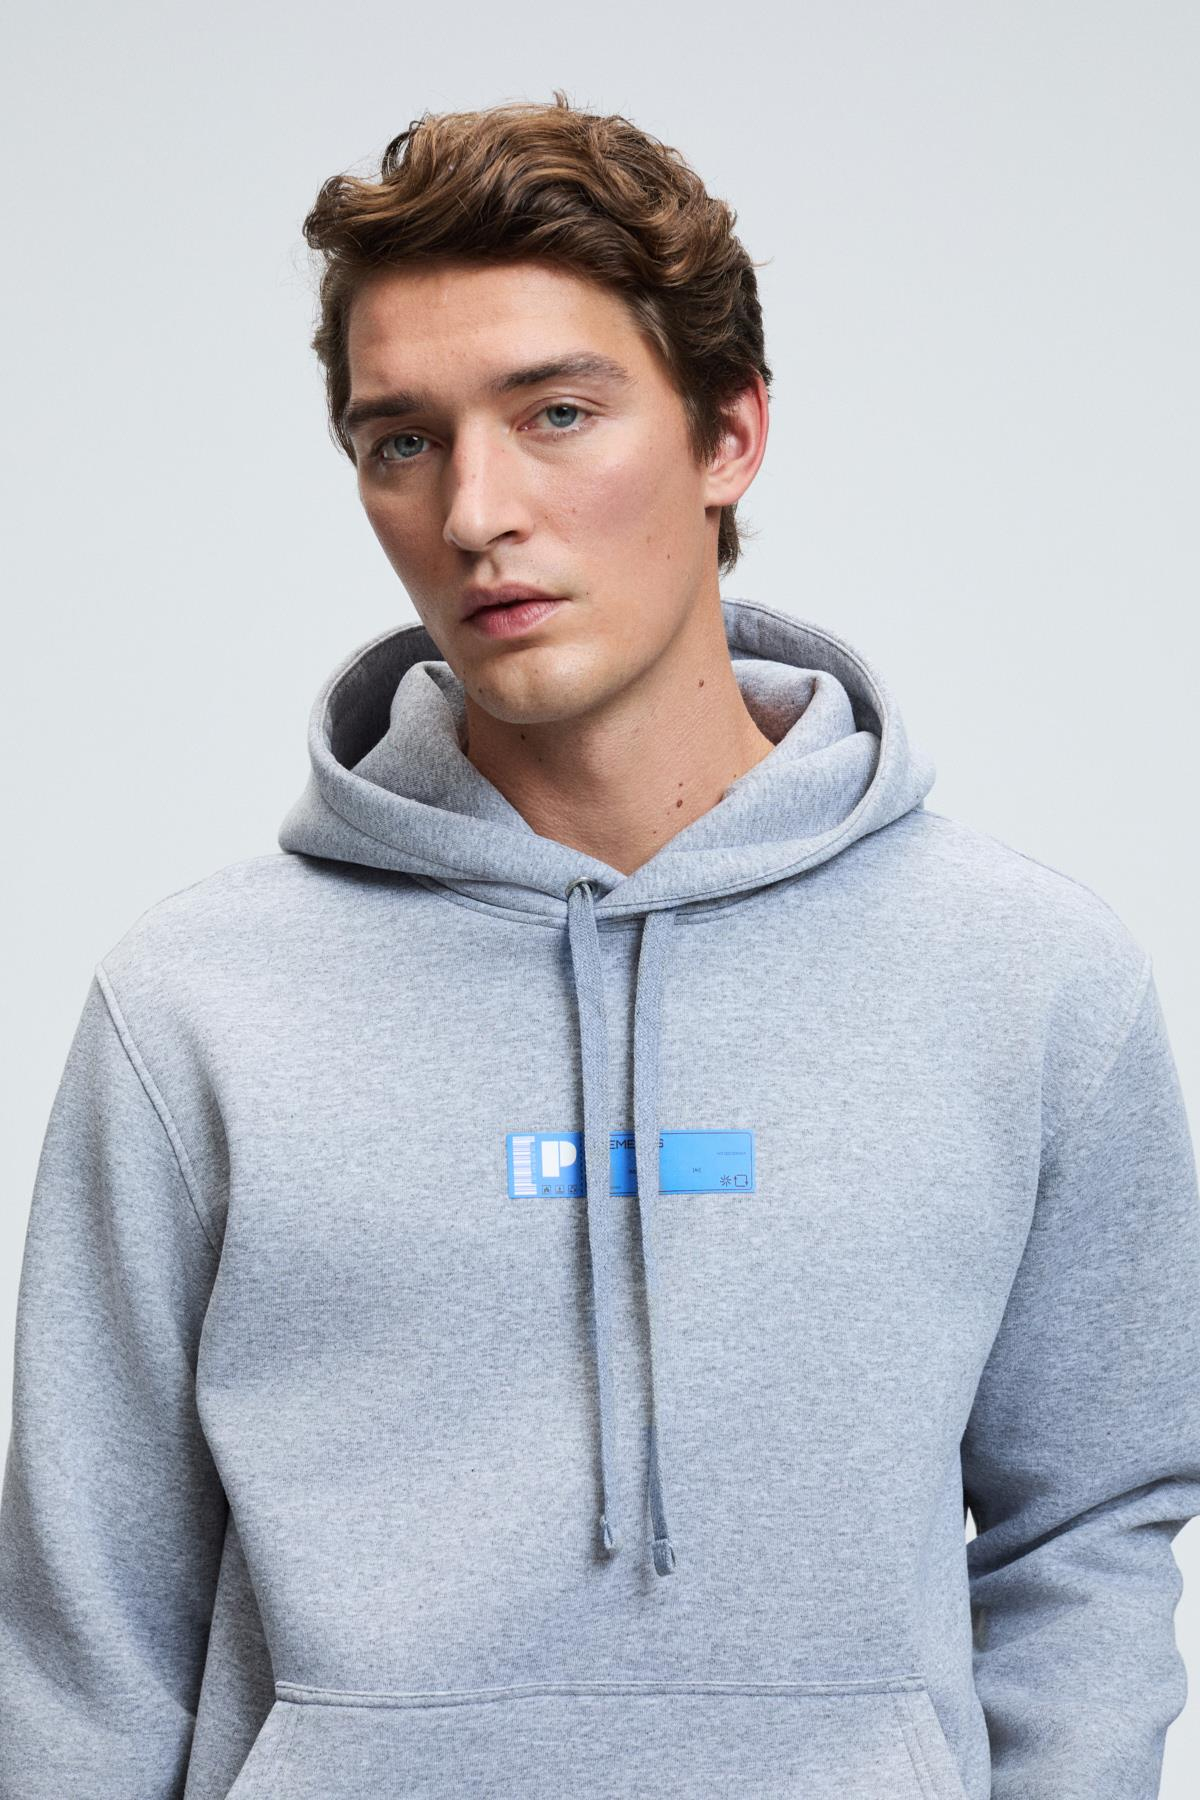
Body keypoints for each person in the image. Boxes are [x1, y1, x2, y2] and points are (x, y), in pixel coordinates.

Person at [0, 90, 1196, 1800]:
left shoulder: (1030, 984)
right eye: (400, 442)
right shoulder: (195, 1011)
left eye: (556, 413)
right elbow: (81, 1641)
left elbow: (1088, 1532)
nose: (475, 508)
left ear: (729, 435)